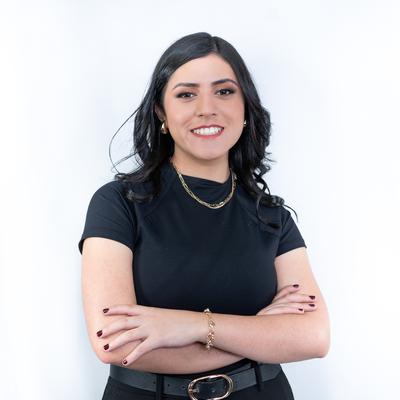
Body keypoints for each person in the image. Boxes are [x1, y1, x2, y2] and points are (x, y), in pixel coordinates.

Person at [78, 32, 330, 400]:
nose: (206, 108)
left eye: (224, 91)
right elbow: (115, 344)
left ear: (245, 107)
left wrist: (191, 326)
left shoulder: (272, 215)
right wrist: (261, 334)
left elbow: (313, 337)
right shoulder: (118, 203)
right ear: (161, 113)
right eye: (186, 94)